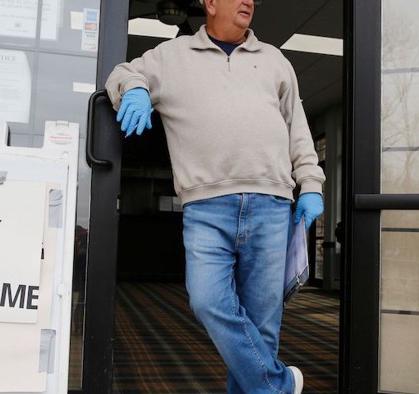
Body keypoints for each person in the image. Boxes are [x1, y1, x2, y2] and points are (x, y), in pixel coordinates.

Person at [105, 0, 324, 392]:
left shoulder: (275, 61)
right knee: (208, 302)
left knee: (261, 326)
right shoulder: (171, 56)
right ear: (209, 3)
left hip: (272, 205)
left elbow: (299, 131)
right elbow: (122, 72)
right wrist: (136, 88)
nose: (249, 2)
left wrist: (311, 184)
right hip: (207, 208)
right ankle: (277, 384)